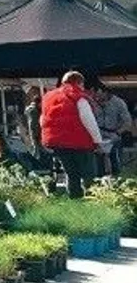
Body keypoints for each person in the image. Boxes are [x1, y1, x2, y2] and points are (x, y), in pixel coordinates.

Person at [40, 71, 107, 199]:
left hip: (58, 144)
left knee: (70, 174)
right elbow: (89, 121)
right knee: (88, 174)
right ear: (79, 83)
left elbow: (43, 120)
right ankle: (91, 199)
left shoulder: (48, 97)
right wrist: (98, 141)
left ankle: (74, 200)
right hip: (80, 143)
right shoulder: (78, 97)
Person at [90, 80, 132, 176]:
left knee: (116, 163)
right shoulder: (91, 102)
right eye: (94, 95)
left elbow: (127, 122)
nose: (96, 97)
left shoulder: (118, 103)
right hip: (98, 137)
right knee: (97, 165)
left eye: (98, 94)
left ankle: (117, 181)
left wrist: (118, 132)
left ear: (105, 92)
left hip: (114, 136)